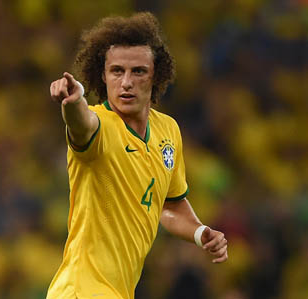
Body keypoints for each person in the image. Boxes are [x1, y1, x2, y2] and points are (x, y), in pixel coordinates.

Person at [47, 12, 228, 299]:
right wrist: (74, 101)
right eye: (117, 71)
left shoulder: (168, 130)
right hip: (82, 290)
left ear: (155, 76)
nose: (126, 82)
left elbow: (169, 204)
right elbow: (81, 126)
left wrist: (199, 232)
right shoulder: (99, 124)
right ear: (102, 76)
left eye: (138, 71)